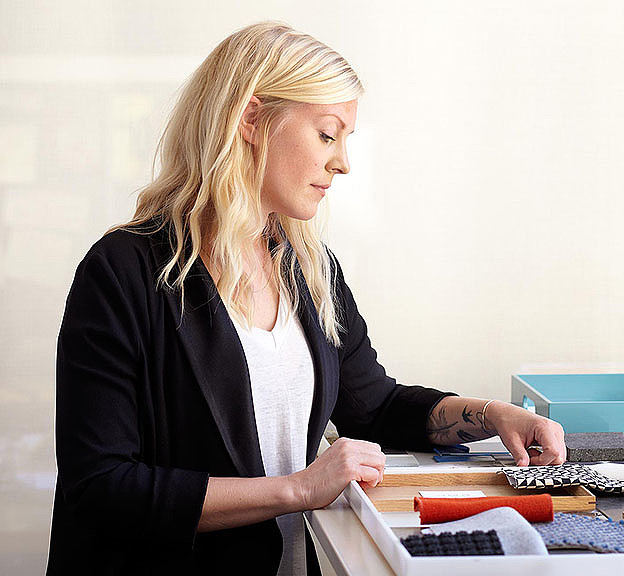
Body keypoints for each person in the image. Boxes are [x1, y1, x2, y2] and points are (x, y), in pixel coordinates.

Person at [47, 21, 565, 576]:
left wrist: (493, 415)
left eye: (345, 140)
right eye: (326, 134)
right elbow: (102, 488)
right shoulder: (122, 272)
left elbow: (375, 406)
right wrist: (297, 489)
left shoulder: (307, 268)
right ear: (251, 118)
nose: (342, 162)